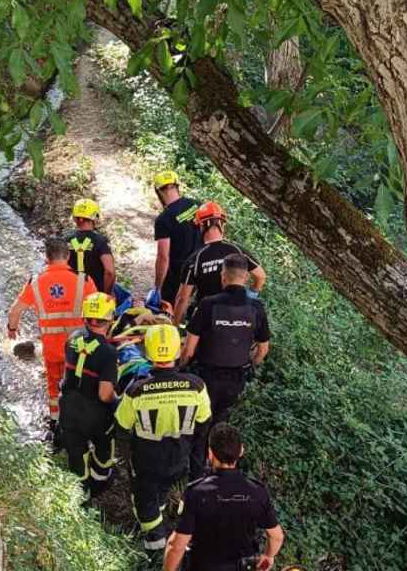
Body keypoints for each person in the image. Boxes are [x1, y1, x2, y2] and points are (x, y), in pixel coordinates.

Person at [116, 324, 212, 559]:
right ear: (177, 352)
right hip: (179, 458)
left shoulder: (137, 390)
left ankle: (156, 550)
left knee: (145, 504)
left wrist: (127, 457)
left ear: (148, 353)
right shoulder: (196, 386)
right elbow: (204, 424)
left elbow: (121, 428)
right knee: (160, 492)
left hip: (146, 461)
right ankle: (158, 520)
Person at [181, 253, 271, 479]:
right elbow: (263, 350)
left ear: (223, 277)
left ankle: (195, 477)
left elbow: (189, 349)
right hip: (235, 381)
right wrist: (250, 366)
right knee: (219, 424)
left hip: (205, 378)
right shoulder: (256, 308)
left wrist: (180, 368)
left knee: (200, 427)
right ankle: (217, 473)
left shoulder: (208, 305)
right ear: (245, 278)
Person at [7, 238, 98, 439]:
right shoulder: (84, 280)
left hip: (52, 349)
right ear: (68, 256)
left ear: (46, 258)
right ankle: (83, 426)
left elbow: (15, 311)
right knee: (82, 384)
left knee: (54, 388)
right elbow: (100, 311)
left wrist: (12, 329)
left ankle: (56, 427)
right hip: (80, 348)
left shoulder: (36, 281)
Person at [163, 423, 285, 571]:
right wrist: (268, 556)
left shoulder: (196, 492)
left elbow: (177, 545)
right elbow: (276, 536)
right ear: (241, 451)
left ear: (210, 453)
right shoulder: (257, 491)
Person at [59, 292, 119, 497]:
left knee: (76, 453)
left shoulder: (72, 338)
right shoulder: (109, 353)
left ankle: (80, 494)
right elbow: (104, 394)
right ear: (110, 318)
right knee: (104, 447)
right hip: (95, 413)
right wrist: (117, 401)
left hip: (68, 407)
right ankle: (101, 483)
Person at [173, 201, 267, 325]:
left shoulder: (195, 259)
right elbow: (261, 276)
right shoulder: (238, 251)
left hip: (205, 317)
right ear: (222, 224)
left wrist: (174, 325)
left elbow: (182, 298)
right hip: (236, 317)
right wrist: (251, 294)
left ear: (201, 226)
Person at [152, 171, 202, 306]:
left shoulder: (163, 219)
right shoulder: (197, 205)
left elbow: (163, 257)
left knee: (168, 310)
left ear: (158, 192)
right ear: (177, 186)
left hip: (179, 276)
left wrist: (157, 287)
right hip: (202, 267)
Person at [65, 198, 116, 294]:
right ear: (95, 217)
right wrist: (107, 294)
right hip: (95, 295)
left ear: (75, 218)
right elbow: (109, 271)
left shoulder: (65, 240)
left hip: (72, 295)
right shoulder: (100, 241)